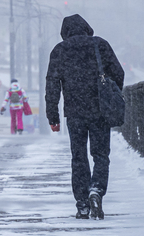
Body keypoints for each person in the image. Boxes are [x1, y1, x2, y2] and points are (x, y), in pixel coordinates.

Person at [45, 14, 124, 220]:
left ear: (65, 32)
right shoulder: (100, 45)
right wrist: (110, 95)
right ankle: (96, 190)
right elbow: (119, 72)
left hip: (74, 113)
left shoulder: (59, 50)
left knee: (78, 157)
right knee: (100, 155)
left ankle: (82, 204)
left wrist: (52, 115)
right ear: (87, 27)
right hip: (100, 110)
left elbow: (52, 85)